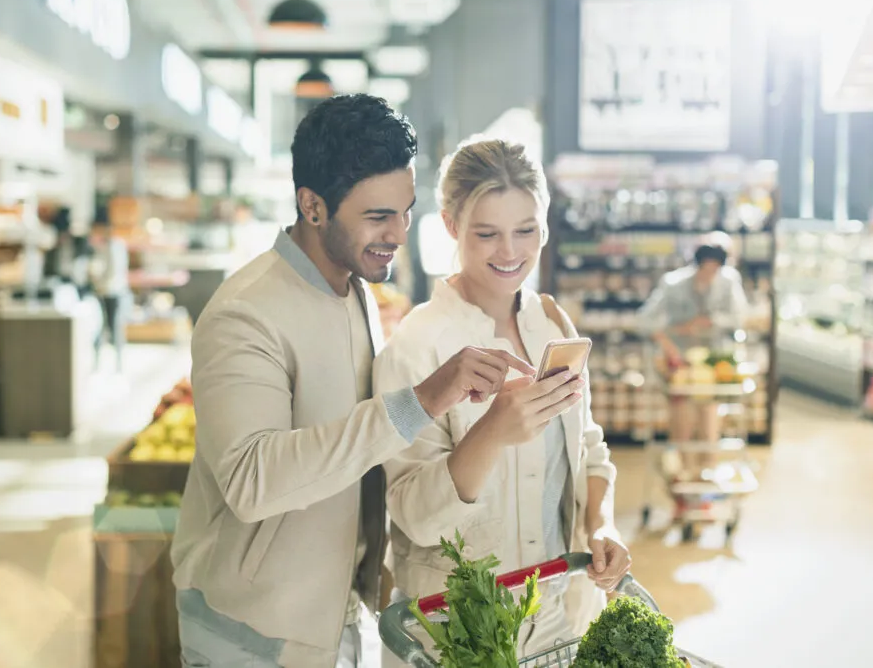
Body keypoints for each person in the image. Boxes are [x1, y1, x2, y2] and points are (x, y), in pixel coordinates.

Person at [171, 96, 572, 668]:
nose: (398, 233)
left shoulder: (352, 288)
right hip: (251, 629)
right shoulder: (245, 312)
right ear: (313, 206)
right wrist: (425, 400)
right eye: (377, 216)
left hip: (333, 615)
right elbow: (251, 480)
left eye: (406, 211)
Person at [373, 137, 630, 663]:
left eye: (526, 230)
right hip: (455, 631)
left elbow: (587, 444)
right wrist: (491, 432)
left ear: (546, 224)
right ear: (450, 226)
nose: (510, 252)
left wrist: (600, 523)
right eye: (487, 233)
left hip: (557, 618)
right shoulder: (417, 347)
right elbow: (412, 515)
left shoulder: (551, 324)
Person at [637, 232, 749, 474]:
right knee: (682, 418)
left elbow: (740, 317)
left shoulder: (729, 282)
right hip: (680, 361)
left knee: (709, 416)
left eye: (715, 269)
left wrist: (711, 321)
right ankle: (683, 474)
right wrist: (671, 336)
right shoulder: (673, 283)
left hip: (713, 361)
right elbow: (645, 320)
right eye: (706, 268)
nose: (710, 274)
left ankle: (706, 474)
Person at [90, 223, 130, 372]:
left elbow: (112, 273)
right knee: (102, 326)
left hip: (112, 292)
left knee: (113, 327)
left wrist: (99, 282)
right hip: (106, 292)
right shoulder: (105, 246)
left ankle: (117, 364)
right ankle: (100, 363)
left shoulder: (114, 247)